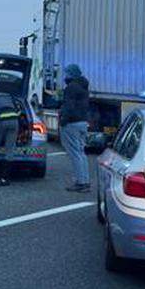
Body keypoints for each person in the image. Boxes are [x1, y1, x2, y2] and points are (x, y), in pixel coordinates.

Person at [60, 65, 92, 193]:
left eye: (66, 73)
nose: (65, 76)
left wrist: (63, 121)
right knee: (81, 153)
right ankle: (85, 180)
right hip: (82, 122)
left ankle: (81, 182)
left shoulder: (71, 88)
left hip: (72, 123)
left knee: (75, 154)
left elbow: (69, 106)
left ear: (71, 74)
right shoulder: (83, 87)